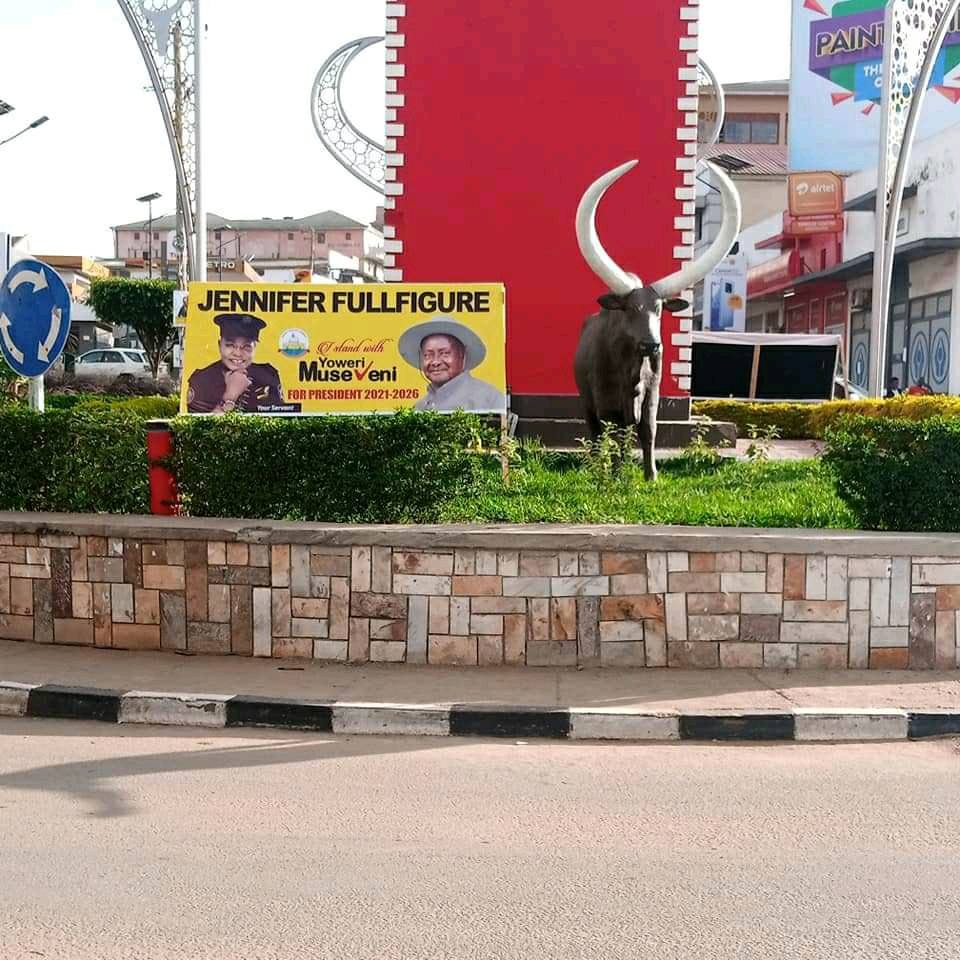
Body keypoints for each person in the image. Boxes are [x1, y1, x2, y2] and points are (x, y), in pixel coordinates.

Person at [398, 317, 505, 413]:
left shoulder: (488, 398)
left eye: (444, 353)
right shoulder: (420, 407)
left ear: (462, 355)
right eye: (428, 355)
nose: (435, 362)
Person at [186, 313, 284, 414]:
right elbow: (200, 426)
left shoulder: (268, 375)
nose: (238, 353)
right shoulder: (202, 379)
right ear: (220, 345)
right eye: (230, 345)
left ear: (254, 348)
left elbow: (281, 419)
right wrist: (230, 396)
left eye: (246, 346)